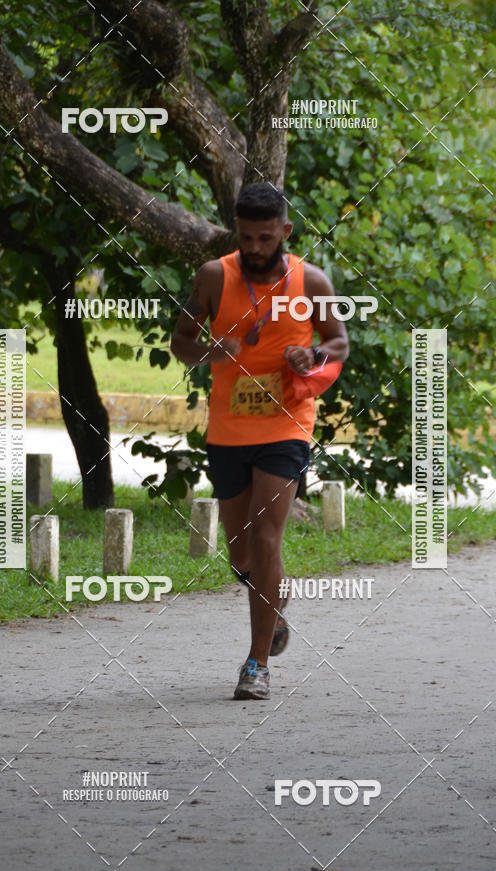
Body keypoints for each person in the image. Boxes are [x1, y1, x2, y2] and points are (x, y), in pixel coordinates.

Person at [171, 182, 349, 699]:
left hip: (286, 423)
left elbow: (339, 340)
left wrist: (313, 355)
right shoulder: (213, 277)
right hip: (228, 428)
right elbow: (179, 340)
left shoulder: (309, 281)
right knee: (243, 557)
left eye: (265, 238)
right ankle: (274, 599)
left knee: (268, 538)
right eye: (246, 237)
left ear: (285, 233)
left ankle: (256, 665)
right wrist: (208, 351)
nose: (253, 248)